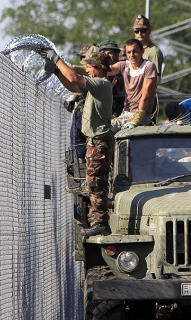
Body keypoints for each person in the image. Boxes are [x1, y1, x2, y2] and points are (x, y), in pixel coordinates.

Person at [37, 49, 114, 237]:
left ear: (98, 68)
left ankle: (101, 223)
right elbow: (72, 86)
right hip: (94, 140)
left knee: (96, 182)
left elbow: (73, 77)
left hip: (99, 140)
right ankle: (99, 220)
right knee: (92, 182)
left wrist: (56, 59)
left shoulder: (102, 84)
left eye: (89, 67)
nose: (87, 70)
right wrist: (56, 71)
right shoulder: (95, 86)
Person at [108, 38, 158, 130]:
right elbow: (105, 71)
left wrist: (136, 120)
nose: (132, 55)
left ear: (142, 51)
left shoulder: (148, 66)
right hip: (126, 114)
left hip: (141, 116)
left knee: (105, 129)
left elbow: (146, 96)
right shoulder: (125, 65)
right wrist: (75, 69)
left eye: (135, 51)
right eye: (129, 52)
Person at [133, 14, 164, 83]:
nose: (140, 33)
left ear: (149, 31)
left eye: (143, 31)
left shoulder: (154, 52)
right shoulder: (132, 50)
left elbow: (157, 79)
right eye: (136, 31)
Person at [99, 39, 126, 117]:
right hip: (104, 115)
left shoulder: (125, 70)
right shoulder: (99, 72)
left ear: (117, 54)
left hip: (121, 115)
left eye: (110, 53)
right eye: (103, 53)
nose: (106, 56)